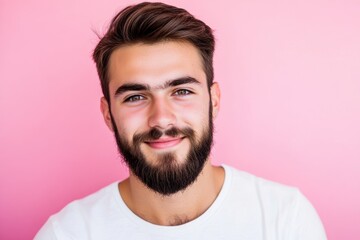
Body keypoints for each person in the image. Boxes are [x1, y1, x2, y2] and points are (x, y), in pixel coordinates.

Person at [35, 2, 327, 239]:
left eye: (182, 91)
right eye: (135, 96)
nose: (161, 118)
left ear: (213, 101)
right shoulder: (67, 233)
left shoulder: (285, 218)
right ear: (108, 114)